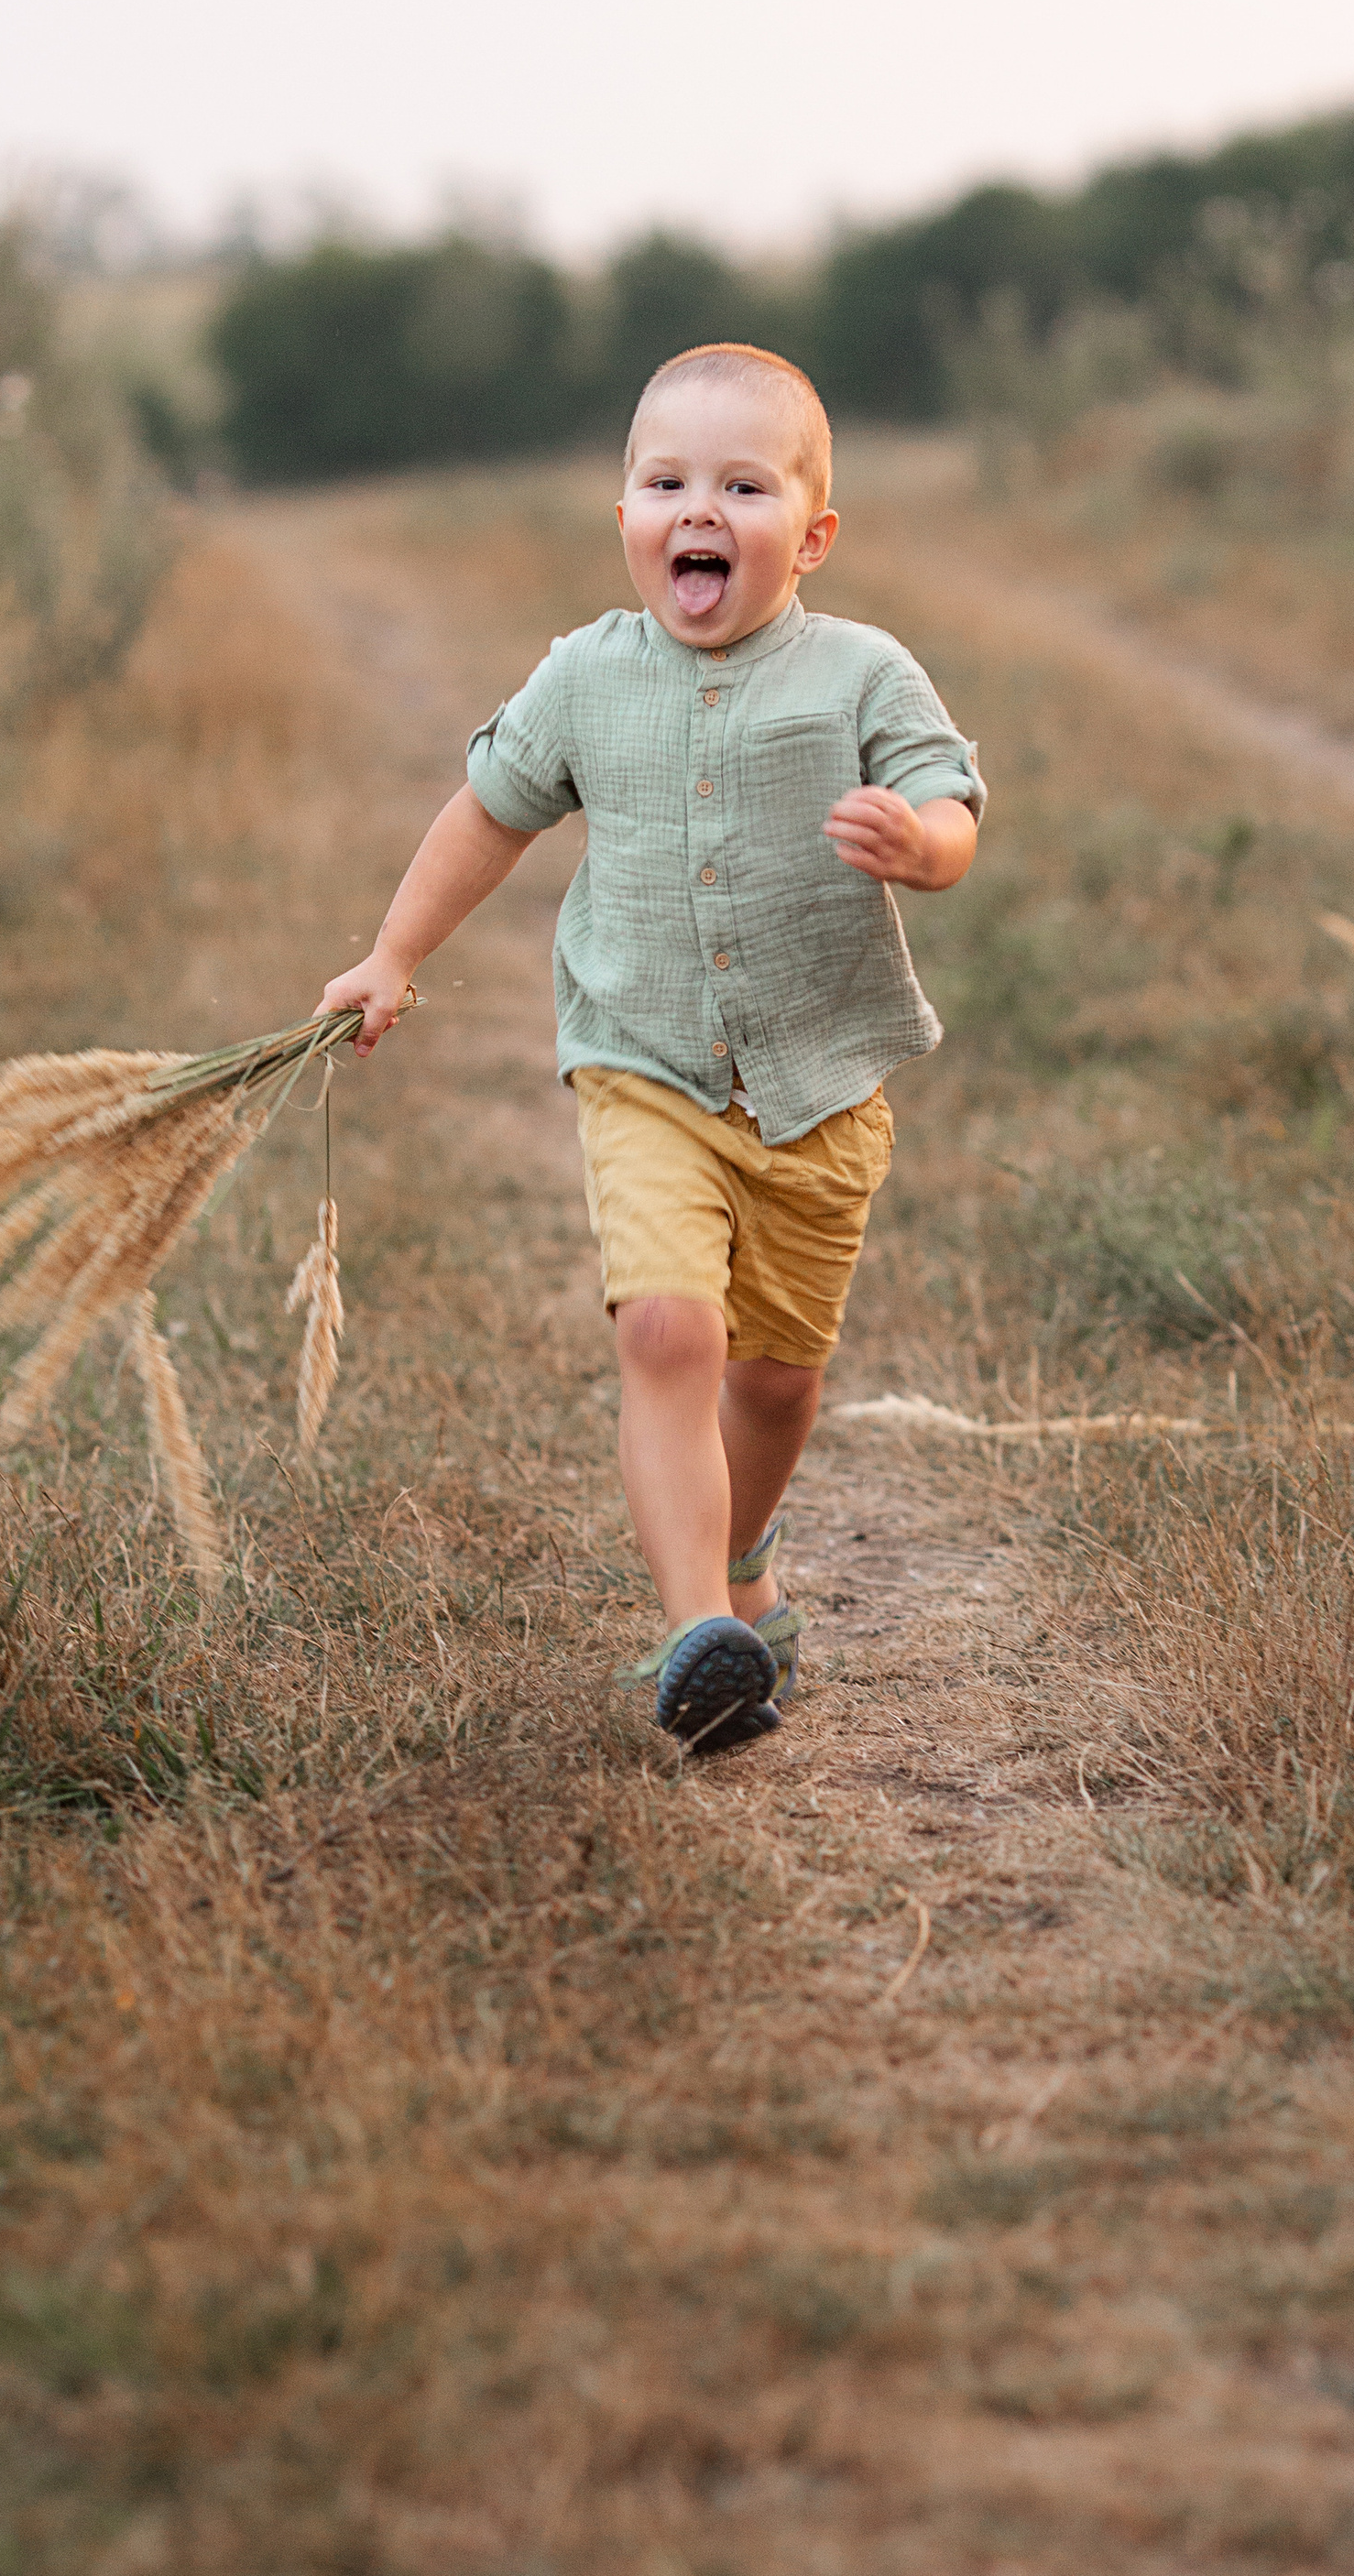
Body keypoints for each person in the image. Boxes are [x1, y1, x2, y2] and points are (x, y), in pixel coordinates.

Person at [315, 344, 983, 1754]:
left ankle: (742, 1562)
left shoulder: (861, 672)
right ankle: (699, 1637)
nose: (700, 509)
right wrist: (393, 955)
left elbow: (950, 800)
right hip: (643, 1068)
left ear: (812, 535)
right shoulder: (584, 676)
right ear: (625, 513)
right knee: (670, 1329)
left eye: (743, 487)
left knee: (778, 1381)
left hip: (819, 1090)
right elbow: (488, 814)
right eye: (666, 481)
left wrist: (921, 842)